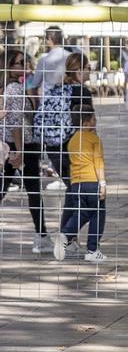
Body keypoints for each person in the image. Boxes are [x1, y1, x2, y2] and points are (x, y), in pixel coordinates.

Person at [27, 48, 92, 254]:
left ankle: (67, 237)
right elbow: (88, 125)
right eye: (87, 68)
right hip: (74, 147)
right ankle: (66, 237)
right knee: (82, 192)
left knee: (74, 189)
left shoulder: (55, 89)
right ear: (79, 71)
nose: (90, 71)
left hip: (54, 146)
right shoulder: (82, 92)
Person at [56, 94, 109, 265]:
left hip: (76, 183)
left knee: (83, 212)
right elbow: (98, 162)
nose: (96, 121)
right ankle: (92, 250)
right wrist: (102, 183)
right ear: (86, 122)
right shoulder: (94, 139)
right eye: (94, 119)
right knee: (98, 214)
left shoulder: (71, 141)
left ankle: (65, 234)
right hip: (92, 181)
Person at [0, 49, 27, 208]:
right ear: (9, 65)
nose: (25, 65)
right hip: (9, 146)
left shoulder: (6, 88)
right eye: (20, 63)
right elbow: (16, 122)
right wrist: (20, 150)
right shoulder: (15, 88)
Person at [26, 25, 67, 104]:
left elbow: (36, 82)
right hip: (67, 98)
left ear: (49, 39)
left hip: (48, 100)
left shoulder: (44, 58)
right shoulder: (70, 56)